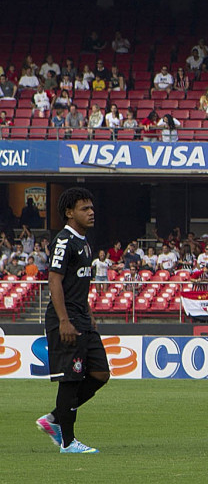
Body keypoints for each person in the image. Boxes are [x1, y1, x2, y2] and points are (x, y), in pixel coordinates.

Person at [35, 188, 107, 454]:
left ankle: (54, 418)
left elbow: (77, 284)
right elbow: (54, 279)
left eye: (91, 207)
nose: (91, 212)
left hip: (82, 318)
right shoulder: (64, 241)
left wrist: (88, 313)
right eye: (84, 208)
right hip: (66, 320)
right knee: (71, 379)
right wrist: (64, 320)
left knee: (100, 373)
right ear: (69, 212)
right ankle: (68, 442)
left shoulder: (84, 242)